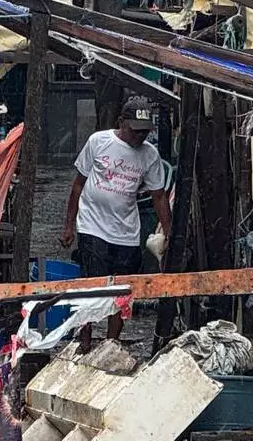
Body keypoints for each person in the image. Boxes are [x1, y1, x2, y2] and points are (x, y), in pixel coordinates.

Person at [60, 96, 172, 352]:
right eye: (135, 131)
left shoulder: (149, 156)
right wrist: (69, 225)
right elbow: (78, 184)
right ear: (121, 122)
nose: (139, 137)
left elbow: (159, 197)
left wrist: (169, 232)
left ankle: (111, 343)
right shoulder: (99, 142)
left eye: (144, 132)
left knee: (122, 291)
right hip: (92, 225)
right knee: (90, 286)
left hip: (126, 232)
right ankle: (84, 339)